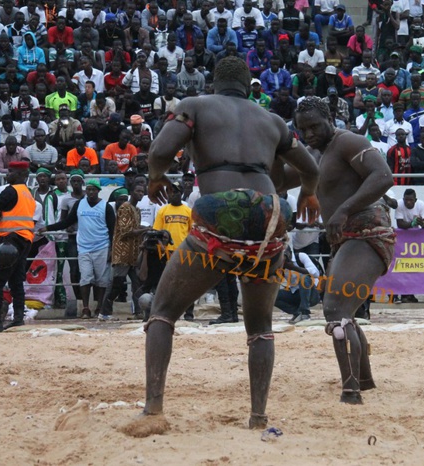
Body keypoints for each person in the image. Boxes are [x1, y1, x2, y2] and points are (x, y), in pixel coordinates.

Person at [121, 56, 319, 436]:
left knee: (162, 311)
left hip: (221, 208)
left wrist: (156, 177)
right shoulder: (272, 121)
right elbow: (310, 169)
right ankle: (258, 417)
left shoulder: (195, 105)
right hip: (270, 214)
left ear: (214, 83)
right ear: (248, 87)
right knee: (260, 326)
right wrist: (309, 194)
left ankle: (153, 409)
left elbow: (159, 151)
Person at [288, 97, 393, 404]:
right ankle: (364, 381)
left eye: (314, 127)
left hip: (368, 229)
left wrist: (344, 209)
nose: (309, 134)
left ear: (330, 119)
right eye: (303, 129)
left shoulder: (348, 142)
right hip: (343, 237)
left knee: (335, 309)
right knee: (343, 309)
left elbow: (383, 176)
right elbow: (281, 177)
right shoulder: (311, 154)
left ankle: (351, 391)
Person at [41, 178, 115, 318]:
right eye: (89, 190)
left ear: (98, 191)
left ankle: (99, 307)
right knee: (85, 278)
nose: (91, 192)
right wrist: (48, 228)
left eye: (94, 190)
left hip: (102, 247)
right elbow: (67, 222)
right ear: (86, 190)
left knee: (101, 279)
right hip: (84, 247)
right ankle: (85, 308)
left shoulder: (106, 207)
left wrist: (112, 248)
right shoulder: (80, 204)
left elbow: (112, 230)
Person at [0, 161, 36, 332]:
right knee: (16, 281)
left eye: (11, 171)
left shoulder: (10, 191)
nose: (7, 174)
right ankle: (18, 318)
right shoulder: (28, 193)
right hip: (25, 240)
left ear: (21, 174)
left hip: (10, 240)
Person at [99, 182, 148, 321]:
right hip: (123, 253)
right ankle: (104, 313)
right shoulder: (125, 208)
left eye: (142, 191)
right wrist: (146, 230)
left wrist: (144, 229)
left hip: (134, 253)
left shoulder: (137, 210)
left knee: (138, 284)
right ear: (131, 192)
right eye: (138, 191)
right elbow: (126, 231)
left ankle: (138, 312)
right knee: (116, 284)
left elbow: (135, 228)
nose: (140, 193)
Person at [152, 181, 194, 320]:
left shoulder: (188, 211)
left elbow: (193, 233)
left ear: (181, 193)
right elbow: (157, 232)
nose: (173, 194)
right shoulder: (163, 210)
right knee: (167, 283)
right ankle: (166, 311)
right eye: (171, 191)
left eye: (176, 191)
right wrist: (161, 246)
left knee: (187, 283)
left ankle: (189, 313)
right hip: (166, 252)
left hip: (184, 252)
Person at [274, 246, 320, 323]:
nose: (283, 259)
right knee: (274, 296)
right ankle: (297, 313)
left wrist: (294, 268)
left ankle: (305, 313)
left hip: (312, 294)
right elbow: (276, 281)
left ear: (290, 253)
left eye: (284, 256)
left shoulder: (301, 256)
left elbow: (316, 273)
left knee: (303, 278)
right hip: (295, 294)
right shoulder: (280, 265)